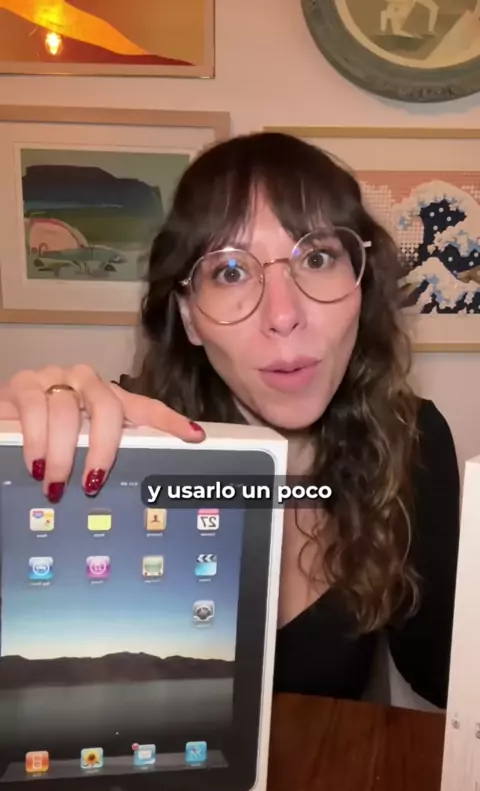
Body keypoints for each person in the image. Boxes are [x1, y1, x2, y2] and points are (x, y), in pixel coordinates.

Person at [0, 132, 459, 707]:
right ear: (190, 317)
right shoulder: (121, 452)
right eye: (231, 272)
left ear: (361, 285)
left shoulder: (410, 441)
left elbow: (439, 669)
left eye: (317, 258)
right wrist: (28, 450)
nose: (283, 316)